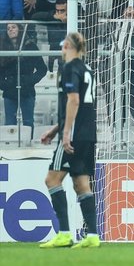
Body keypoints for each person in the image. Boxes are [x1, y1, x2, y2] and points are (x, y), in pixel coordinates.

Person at [38, 32, 100, 249]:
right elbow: (82, 104)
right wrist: (56, 129)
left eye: (63, 46)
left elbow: (73, 101)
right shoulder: (87, 70)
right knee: (81, 183)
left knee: (52, 180)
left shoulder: (69, 68)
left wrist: (65, 133)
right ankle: (92, 235)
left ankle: (64, 233)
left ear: (68, 46)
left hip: (73, 135)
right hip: (88, 134)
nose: (61, 50)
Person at [0, 22, 47, 129]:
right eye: (8, 28)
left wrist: (29, 80)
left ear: (19, 29)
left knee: (28, 122)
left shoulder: (30, 46)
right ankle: (11, 145)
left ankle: (28, 142)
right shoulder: (2, 47)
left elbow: (42, 69)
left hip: (27, 90)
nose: (11, 30)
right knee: (10, 124)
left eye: (13, 27)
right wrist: (4, 84)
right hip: (9, 90)